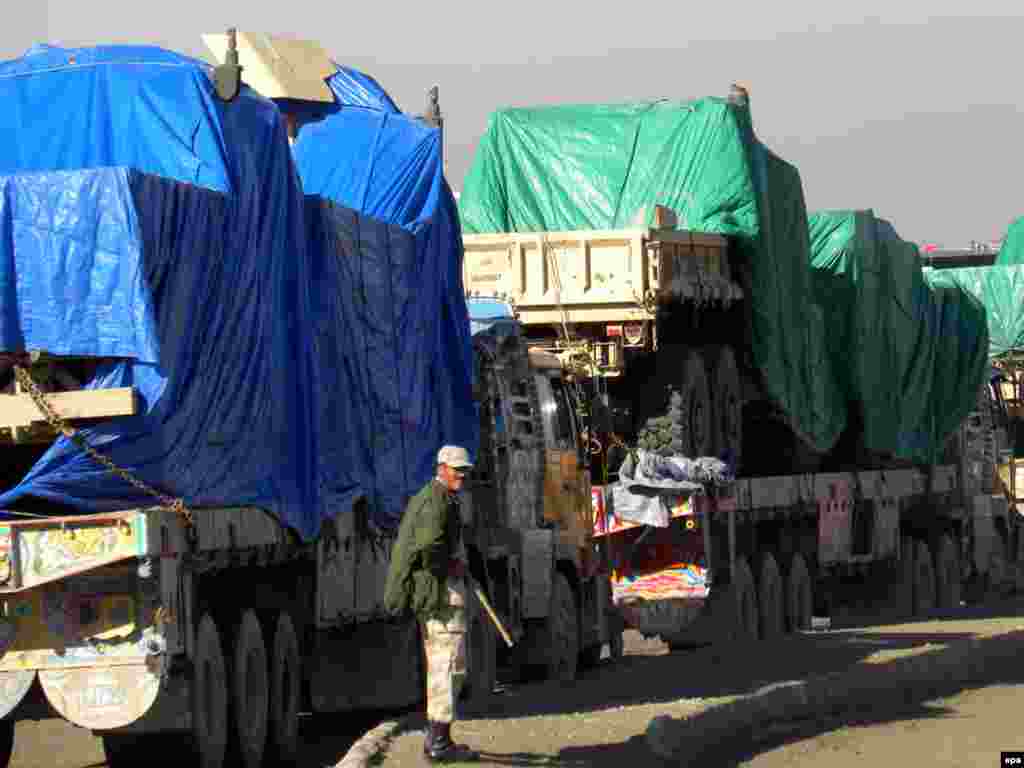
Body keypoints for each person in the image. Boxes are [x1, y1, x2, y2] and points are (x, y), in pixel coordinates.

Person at [384, 445, 479, 763]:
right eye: (457, 470)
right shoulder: (435, 500)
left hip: (441, 593)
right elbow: (429, 545)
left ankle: (441, 739)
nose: (462, 476)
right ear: (441, 468)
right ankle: (438, 744)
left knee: (451, 664)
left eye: (465, 470)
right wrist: (452, 565)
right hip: (439, 595)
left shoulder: (440, 497)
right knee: (447, 664)